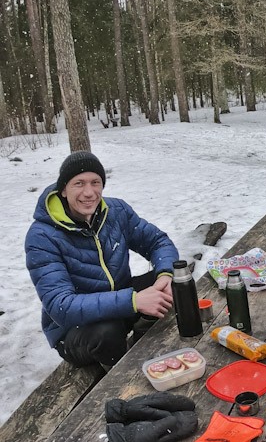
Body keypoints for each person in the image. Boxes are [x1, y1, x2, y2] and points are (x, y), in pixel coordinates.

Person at [25, 151, 179, 369]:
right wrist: (134, 301)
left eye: (95, 182)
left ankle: (147, 345)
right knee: (108, 332)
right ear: (63, 189)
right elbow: (60, 307)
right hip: (76, 330)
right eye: (79, 183)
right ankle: (123, 380)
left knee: (176, 283)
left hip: (119, 303)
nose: (89, 192)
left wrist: (165, 275)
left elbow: (158, 242)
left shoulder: (116, 211)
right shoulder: (42, 236)